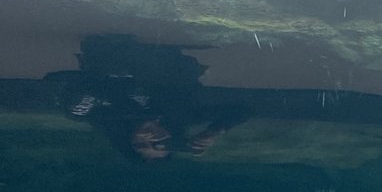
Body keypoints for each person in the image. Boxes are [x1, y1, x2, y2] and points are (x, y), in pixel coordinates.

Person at [49, 34, 245, 162]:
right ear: (171, 137)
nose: (151, 138)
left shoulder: (99, 115)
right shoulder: (178, 116)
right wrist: (213, 132)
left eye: (142, 144)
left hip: (112, 49)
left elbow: (80, 96)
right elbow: (242, 110)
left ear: (127, 140)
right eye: (160, 144)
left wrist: (138, 115)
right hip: (160, 50)